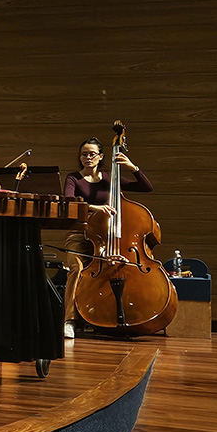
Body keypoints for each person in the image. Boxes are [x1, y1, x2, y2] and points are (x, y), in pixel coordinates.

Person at [60, 137, 153, 339]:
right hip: (80, 234)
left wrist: (132, 167)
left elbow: (146, 187)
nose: (87, 157)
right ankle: (69, 320)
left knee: (109, 272)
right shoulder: (73, 179)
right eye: (84, 153)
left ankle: (101, 316)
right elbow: (69, 203)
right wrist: (94, 208)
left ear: (101, 157)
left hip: (108, 238)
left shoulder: (110, 178)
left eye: (92, 154)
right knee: (76, 269)